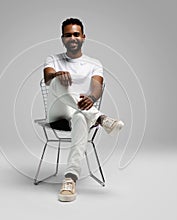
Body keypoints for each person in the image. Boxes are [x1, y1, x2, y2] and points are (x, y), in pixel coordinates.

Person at [43, 18, 124, 202]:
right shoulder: (54, 59)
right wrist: (57, 74)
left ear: (83, 37)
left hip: (82, 111)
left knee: (80, 118)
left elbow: (97, 87)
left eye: (76, 34)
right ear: (62, 38)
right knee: (57, 81)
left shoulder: (94, 63)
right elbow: (47, 78)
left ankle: (70, 180)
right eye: (68, 35)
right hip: (58, 111)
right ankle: (102, 119)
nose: (73, 38)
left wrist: (92, 98)